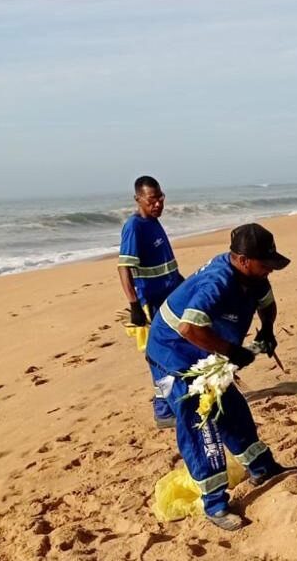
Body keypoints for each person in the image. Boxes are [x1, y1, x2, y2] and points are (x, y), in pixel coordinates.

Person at [146, 223, 294, 530]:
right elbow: (188, 328)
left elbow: (267, 304)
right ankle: (214, 504)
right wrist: (232, 351)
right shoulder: (217, 282)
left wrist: (267, 331)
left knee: (233, 410)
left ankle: (262, 468)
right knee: (201, 424)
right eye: (264, 264)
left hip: (206, 352)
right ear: (242, 260)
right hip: (175, 354)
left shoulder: (255, 277)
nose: (269, 270)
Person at [118, 176, 184, 429]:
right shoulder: (134, 227)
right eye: (152, 200)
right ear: (138, 199)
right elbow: (124, 267)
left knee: (177, 349)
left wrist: (183, 286)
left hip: (170, 297)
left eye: (160, 198)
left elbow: (166, 266)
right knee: (159, 356)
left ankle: (176, 401)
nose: (158, 204)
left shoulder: (154, 222)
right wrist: (134, 305)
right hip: (151, 303)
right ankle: (163, 410)